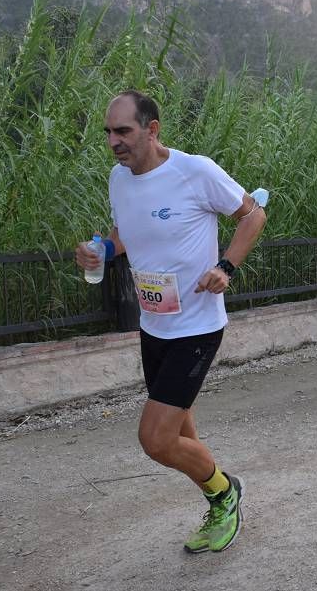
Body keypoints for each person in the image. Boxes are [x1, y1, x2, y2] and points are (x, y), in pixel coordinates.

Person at [75, 90, 266, 554]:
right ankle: (215, 496)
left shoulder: (194, 171)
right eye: (109, 132)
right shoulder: (118, 180)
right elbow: (126, 231)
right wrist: (102, 248)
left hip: (196, 328)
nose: (114, 141)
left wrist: (226, 268)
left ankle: (225, 493)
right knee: (180, 432)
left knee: (156, 439)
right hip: (154, 325)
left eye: (124, 131)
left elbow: (252, 213)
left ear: (152, 129)